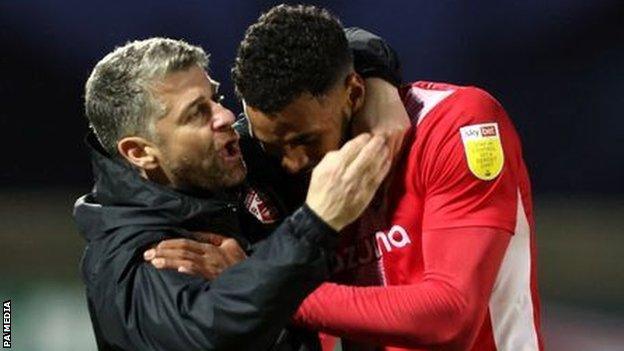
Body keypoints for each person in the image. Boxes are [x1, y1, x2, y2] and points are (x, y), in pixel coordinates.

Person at [152, 5, 544, 350]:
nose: (292, 163)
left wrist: (258, 287)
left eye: (305, 139)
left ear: (355, 93)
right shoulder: (273, 163)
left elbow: (448, 318)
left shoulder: (458, 126)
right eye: (274, 146)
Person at [74, 30, 402, 350]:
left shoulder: (235, 162)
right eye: (196, 113)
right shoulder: (128, 258)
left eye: (214, 98)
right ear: (140, 152)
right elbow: (208, 333)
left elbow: (326, 46)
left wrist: (377, 89)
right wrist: (312, 225)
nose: (226, 115)